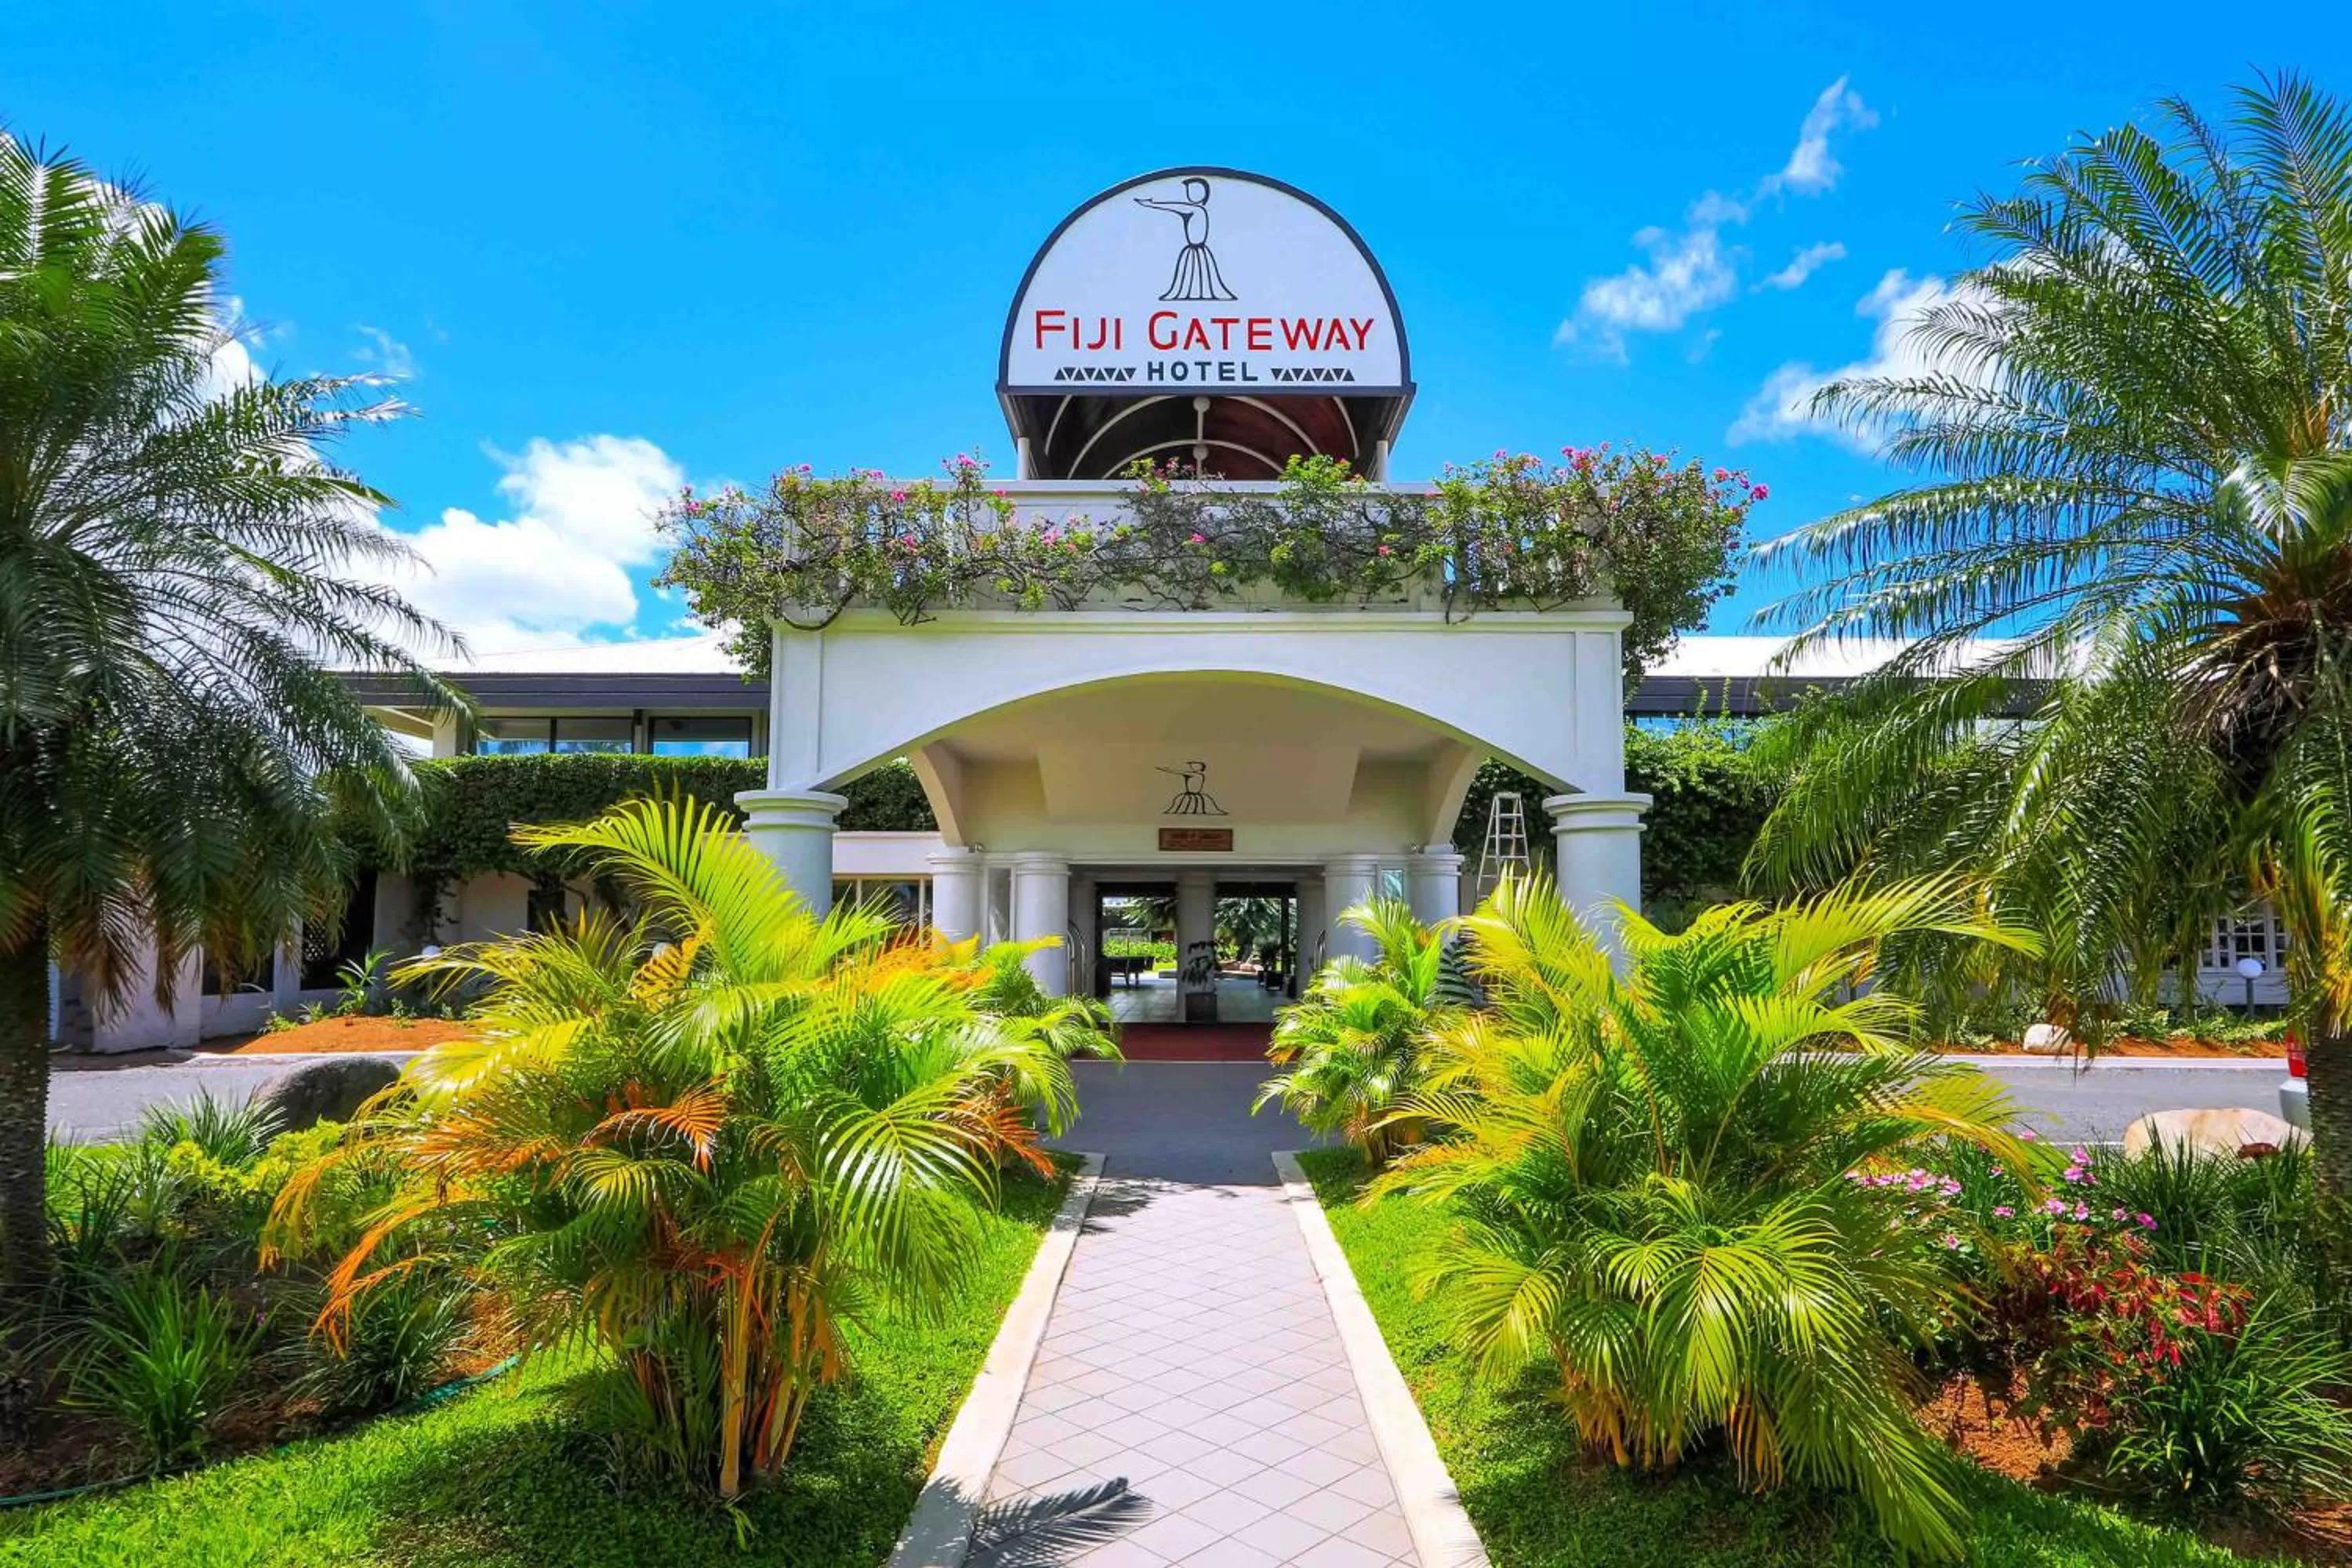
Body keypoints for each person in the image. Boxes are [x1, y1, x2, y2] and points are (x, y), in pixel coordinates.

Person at [1135, 179, 1236, 302]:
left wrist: (1151, 204)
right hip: (1193, 249)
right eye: (1190, 190)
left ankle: (1199, 293)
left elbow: (1175, 207)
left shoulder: (1197, 209)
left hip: (1199, 249)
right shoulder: (1195, 209)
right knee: (1190, 273)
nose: (1192, 194)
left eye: (1197, 190)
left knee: (1200, 273)